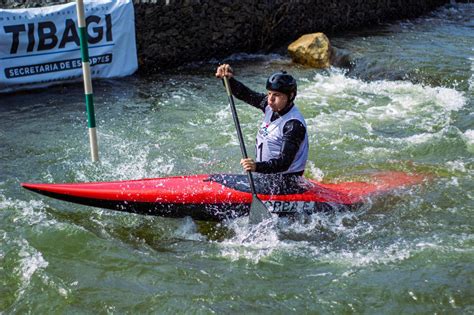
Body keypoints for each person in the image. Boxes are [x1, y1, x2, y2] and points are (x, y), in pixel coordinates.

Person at [215, 64, 309, 179]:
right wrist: (229, 80)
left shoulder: (293, 125)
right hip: (267, 177)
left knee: (222, 181)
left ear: (291, 96)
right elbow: (246, 94)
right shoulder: (270, 106)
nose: (270, 99)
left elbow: (284, 163)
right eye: (269, 93)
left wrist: (256, 167)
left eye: (276, 95)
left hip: (285, 183)